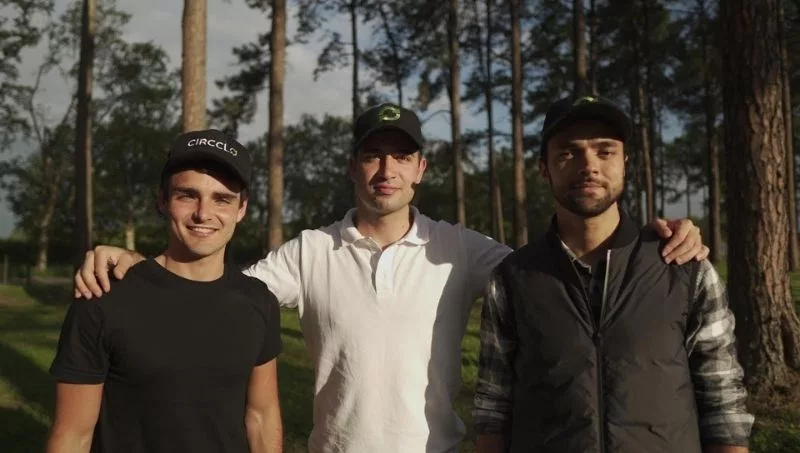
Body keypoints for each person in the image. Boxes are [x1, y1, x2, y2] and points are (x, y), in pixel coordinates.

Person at [72, 103, 709, 453]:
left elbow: (557, 268)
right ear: (354, 166)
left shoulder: (463, 249)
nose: (387, 171)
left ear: (421, 169)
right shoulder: (310, 251)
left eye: (401, 156)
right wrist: (139, 263)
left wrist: (659, 237)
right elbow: (215, 290)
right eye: (374, 156)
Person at [473, 96, 754, 453]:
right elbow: (493, 409)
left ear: (625, 163)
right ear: (544, 168)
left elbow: (723, 402)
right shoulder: (512, 278)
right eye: (568, 153)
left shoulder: (684, 267)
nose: (589, 166)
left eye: (605, 152)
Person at [47, 130, 283, 453]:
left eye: (222, 199)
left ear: (241, 208)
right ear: (162, 200)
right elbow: (72, 437)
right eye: (187, 195)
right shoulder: (103, 298)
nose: (203, 213)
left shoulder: (258, 301)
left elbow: (262, 416)